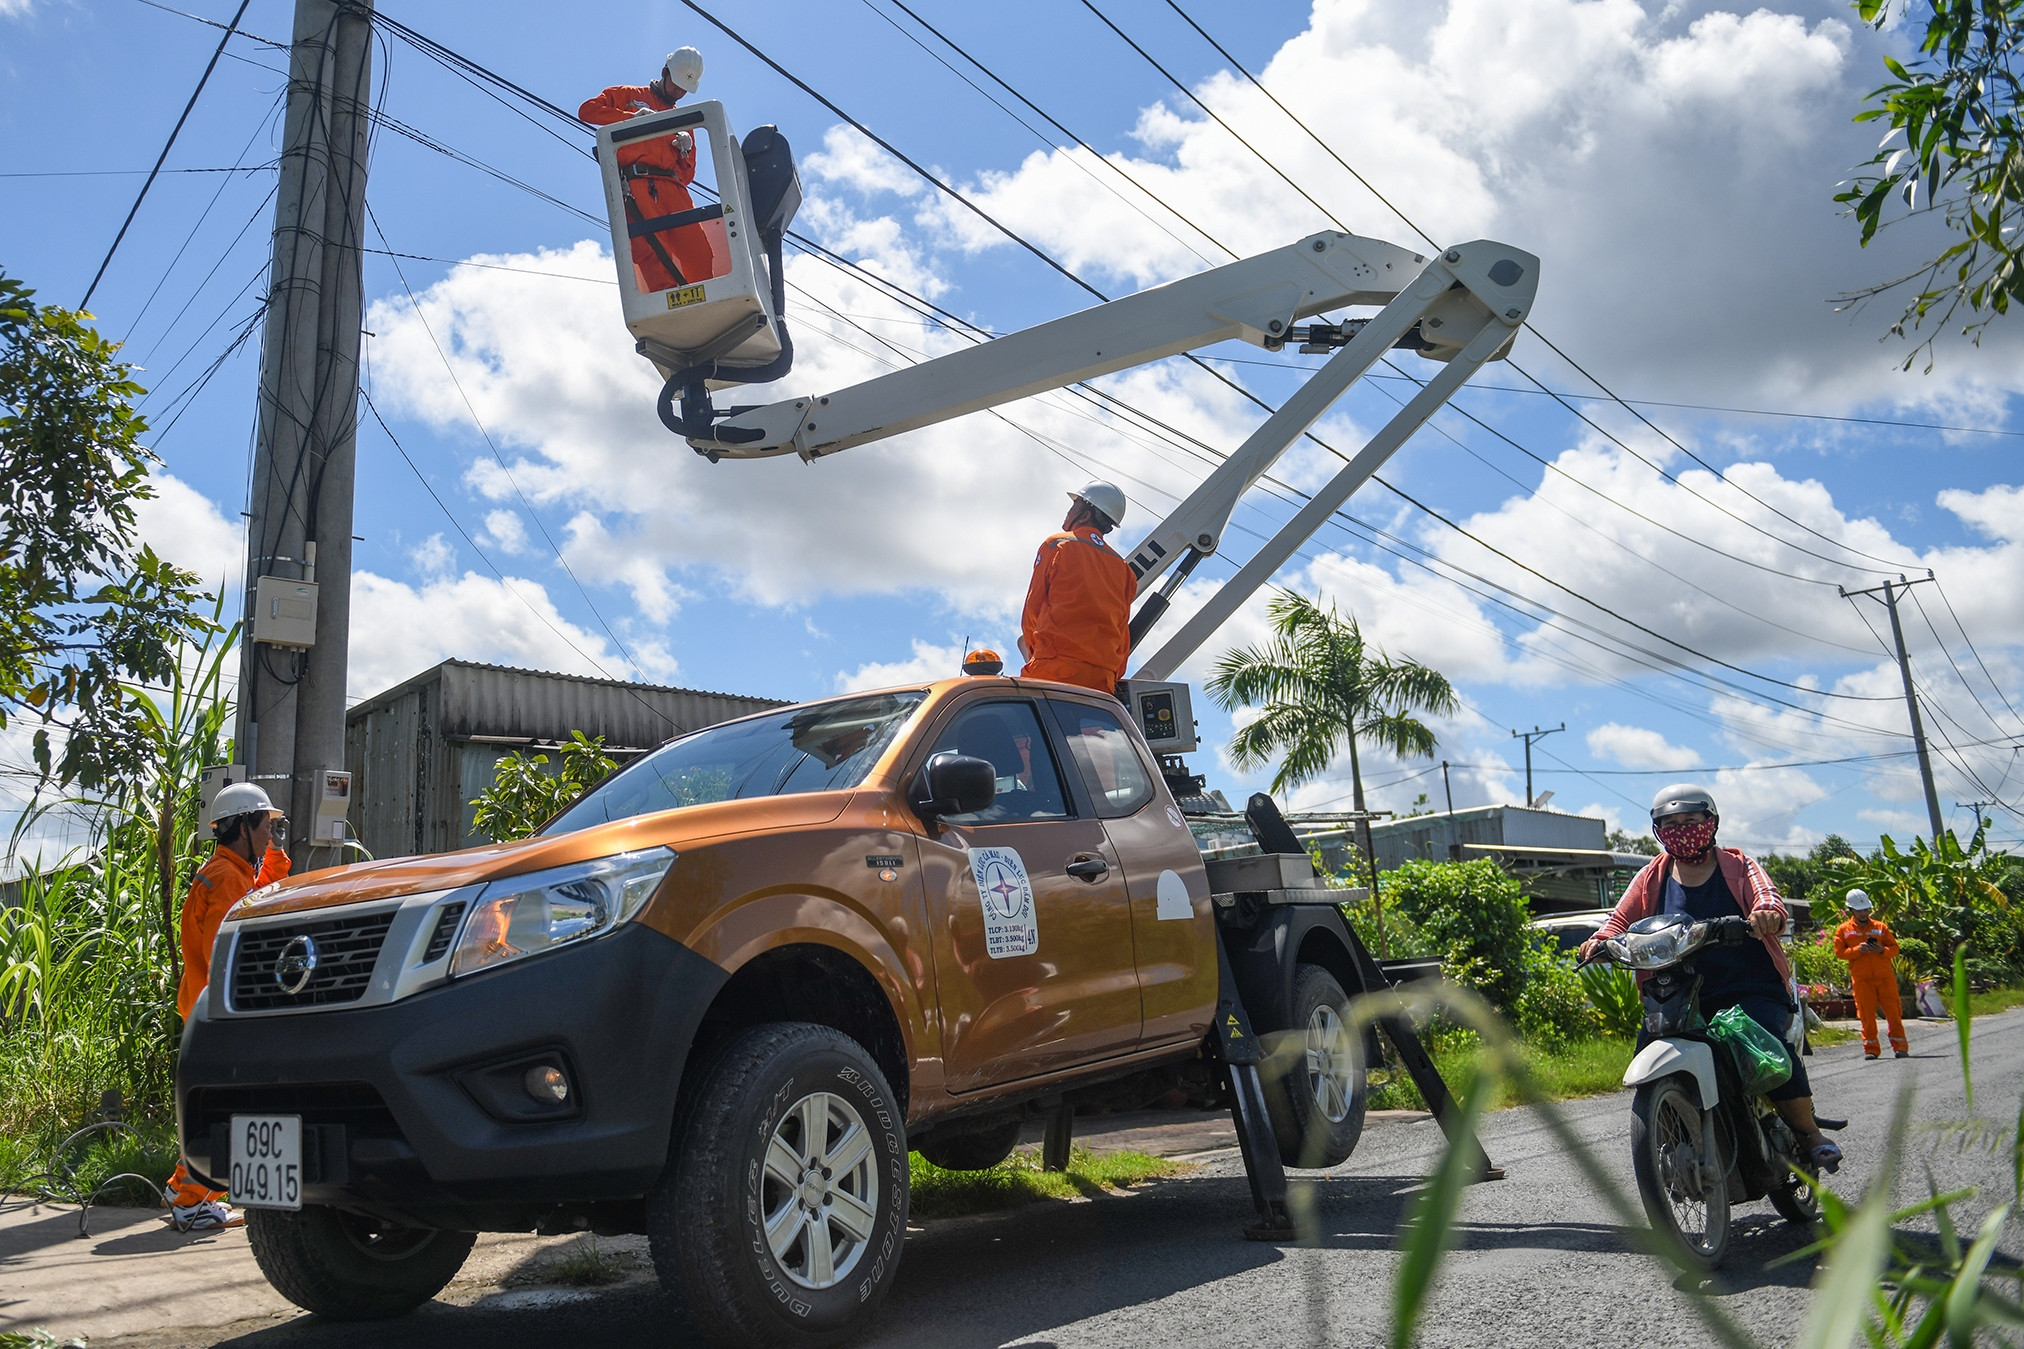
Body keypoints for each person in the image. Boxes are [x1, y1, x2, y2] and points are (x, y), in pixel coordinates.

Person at [1582, 783, 1842, 1173]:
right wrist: (1600, 941)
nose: (1681, 829)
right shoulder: (1651, 876)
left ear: (1712, 823)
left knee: (1767, 1051)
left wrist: (1766, 915)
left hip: (1748, 988)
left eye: (1690, 820)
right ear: (1657, 830)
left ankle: (1809, 1135)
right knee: (1646, 1049)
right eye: (1670, 823)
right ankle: (1673, 1135)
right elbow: (1619, 919)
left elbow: (1767, 897)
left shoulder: (1740, 865)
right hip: (1679, 995)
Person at [162, 783, 292, 1231]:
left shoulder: (230, 871)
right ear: (244, 825)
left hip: (206, 1006)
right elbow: (228, 954)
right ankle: (192, 1201)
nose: (272, 832)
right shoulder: (227, 879)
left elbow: (270, 894)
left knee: (219, 1102)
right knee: (229, 1107)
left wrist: (271, 852)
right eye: (267, 825)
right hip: (220, 1011)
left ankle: (184, 1186)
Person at [578, 47, 715, 293]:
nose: (679, 92)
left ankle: (707, 301)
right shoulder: (628, 95)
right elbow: (587, 111)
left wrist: (686, 149)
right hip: (637, 185)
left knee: (699, 252)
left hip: (674, 190)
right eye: (676, 86)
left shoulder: (684, 119)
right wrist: (629, 117)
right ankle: (671, 308)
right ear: (664, 72)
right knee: (651, 251)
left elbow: (687, 176)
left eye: (684, 89)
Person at [1018, 481, 1137, 695]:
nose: (1069, 511)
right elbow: (1122, 633)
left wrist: (1038, 654)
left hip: (1055, 668)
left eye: (1075, 505)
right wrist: (1111, 675)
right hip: (1102, 679)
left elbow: (1032, 612)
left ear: (1085, 515)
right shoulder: (1124, 569)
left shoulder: (1057, 544)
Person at [1834, 889, 1908, 1060]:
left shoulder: (1880, 927)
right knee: (1867, 1016)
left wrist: (1882, 950)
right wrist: (1857, 950)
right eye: (1859, 910)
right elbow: (1840, 953)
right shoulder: (1843, 930)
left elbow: (1895, 949)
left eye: (1866, 909)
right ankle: (1871, 1049)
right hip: (1861, 980)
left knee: (1894, 1014)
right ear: (1851, 910)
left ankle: (1900, 1048)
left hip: (1885, 978)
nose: (1863, 913)